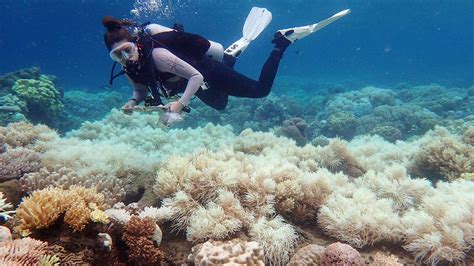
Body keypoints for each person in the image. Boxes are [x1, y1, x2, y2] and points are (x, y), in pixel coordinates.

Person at [103, 8, 351, 120]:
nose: (126, 58)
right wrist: (133, 101)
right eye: (118, 56)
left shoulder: (159, 57)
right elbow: (140, 89)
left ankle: (282, 43)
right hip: (196, 82)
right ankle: (230, 56)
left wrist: (180, 103)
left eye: (127, 51)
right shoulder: (129, 67)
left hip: (204, 73)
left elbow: (196, 78)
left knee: (261, 91)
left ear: (135, 43)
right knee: (220, 105)